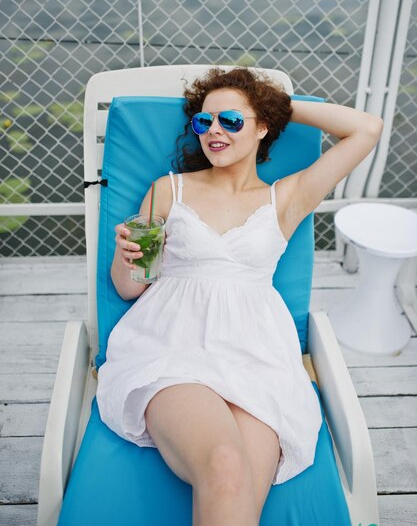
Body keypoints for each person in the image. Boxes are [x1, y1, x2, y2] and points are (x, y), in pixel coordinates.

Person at [96, 67, 384, 526]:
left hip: (258, 358)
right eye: (204, 122)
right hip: (172, 348)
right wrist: (125, 255)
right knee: (225, 465)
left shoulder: (285, 199)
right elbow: (131, 287)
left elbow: (366, 128)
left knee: (243, 485)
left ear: (263, 127)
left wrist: (272, 101)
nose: (213, 131)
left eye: (231, 121)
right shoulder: (169, 189)